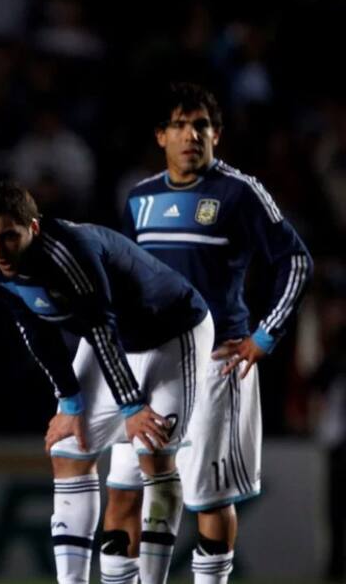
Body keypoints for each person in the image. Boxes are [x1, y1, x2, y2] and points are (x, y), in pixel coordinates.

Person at [105, 82, 313, 584]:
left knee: (208, 499)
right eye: (178, 125)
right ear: (160, 136)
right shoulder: (139, 199)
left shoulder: (239, 192)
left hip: (219, 364)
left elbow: (297, 261)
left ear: (216, 134)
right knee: (123, 492)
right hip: (148, 364)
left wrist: (266, 335)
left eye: (200, 125)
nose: (190, 134)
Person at [0, 181, 213, 584]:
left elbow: (102, 328)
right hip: (113, 339)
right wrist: (69, 402)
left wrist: (132, 408)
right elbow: (36, 329)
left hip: (174, 331)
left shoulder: (69, 253)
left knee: (153, 452)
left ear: (33, 228)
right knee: (69, 447)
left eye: (8, 237)